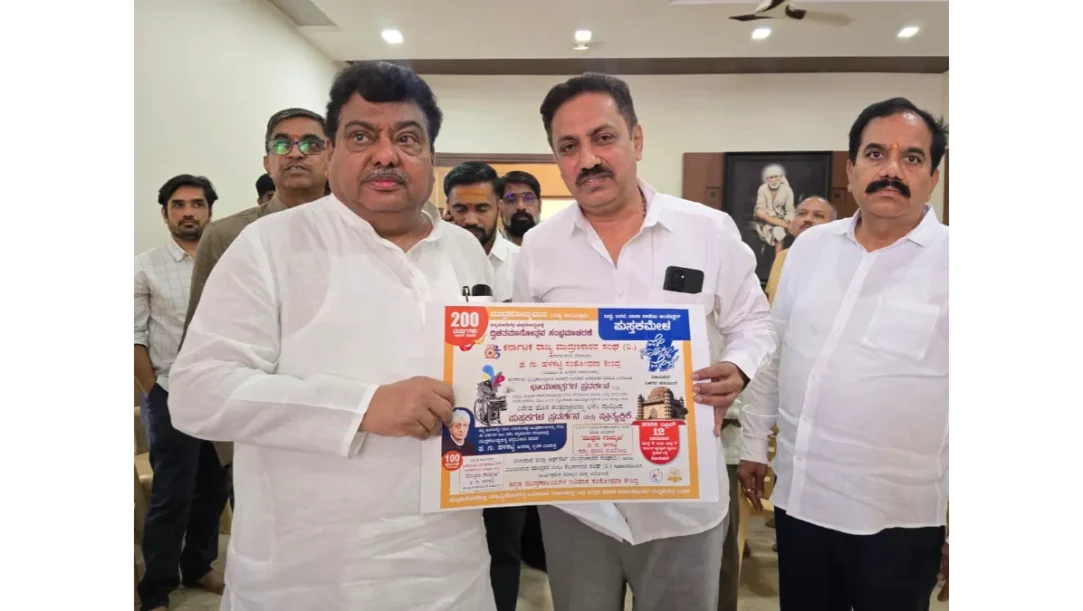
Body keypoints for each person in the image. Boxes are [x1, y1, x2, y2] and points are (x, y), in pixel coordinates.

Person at [168, 60, 496, 611]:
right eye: (362, 136)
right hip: (307, 574)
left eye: (408, 138)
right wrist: (364, 406)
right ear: (334, 152)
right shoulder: (270, 245)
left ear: (432, 158)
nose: (386, 154)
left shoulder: (464, 250)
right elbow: (198, 392)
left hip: (451, 568)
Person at [514, 72, 775, 611]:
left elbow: (754, 322)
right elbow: (524, 358)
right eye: (569, 146)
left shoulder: (707, 230)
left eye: (603, 138)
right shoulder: (539, 247)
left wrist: (739, 367)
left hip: (682, 497)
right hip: (576, 498)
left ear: (636, 139)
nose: (587, 158)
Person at [738, 97, 952, 611]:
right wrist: (751, 443)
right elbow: (776, 352)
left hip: (899, 519)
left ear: (934, 176)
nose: (892, 171)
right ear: (851, 168)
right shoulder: (809, 250)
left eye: (913, 158)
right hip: (802, 502)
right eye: (876, 154)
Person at [182, 107, 330, 470]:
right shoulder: (227, 236)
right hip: (258, 428)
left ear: (332, 155)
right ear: (267, 161)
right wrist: (229, 449)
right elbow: (200, 340)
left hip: (342, 418)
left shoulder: (364, 231)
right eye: (283, 145)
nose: (295, 153)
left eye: (310, 144)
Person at [131, 174, 229, 611]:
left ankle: (199, 564)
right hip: (170, 392)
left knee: (213, 487)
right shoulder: (142, 267)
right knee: (172, 494)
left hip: (222, 391)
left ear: (210, 210)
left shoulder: (227, 261)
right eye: (178, 205)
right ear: (165, 213)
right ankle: (156, 588)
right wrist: (154, 395)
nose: (188, 212)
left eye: (197, 204)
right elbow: (135, 340)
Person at [444, 161, 520, 303]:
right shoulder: (435, 260)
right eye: (460, 209)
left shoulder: (522, 263)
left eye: (482, 209)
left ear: (499, 207)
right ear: (448, 207)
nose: (471, 220)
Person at [764, 196, 837, 304]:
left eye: (818, 215)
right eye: (802, 214)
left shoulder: (839, 257)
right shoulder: (783, 256)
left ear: (834, 225)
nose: (807, 219)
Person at [497, 170, 542, 245]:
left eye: (528, 198)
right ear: (499, 208)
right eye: (511, 200)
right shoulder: (487, 252)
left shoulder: (557, 245)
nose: (520, 206)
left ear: (539, 206)